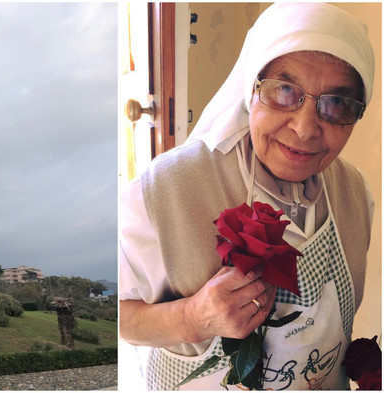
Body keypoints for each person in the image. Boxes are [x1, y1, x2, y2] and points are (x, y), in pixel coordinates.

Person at [118, 3, 376, 390]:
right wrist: (192, 317)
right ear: (250, 89)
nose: (305, 129)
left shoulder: (355, 193)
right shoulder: (164, 191)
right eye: (285, 91)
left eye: (336, 103)